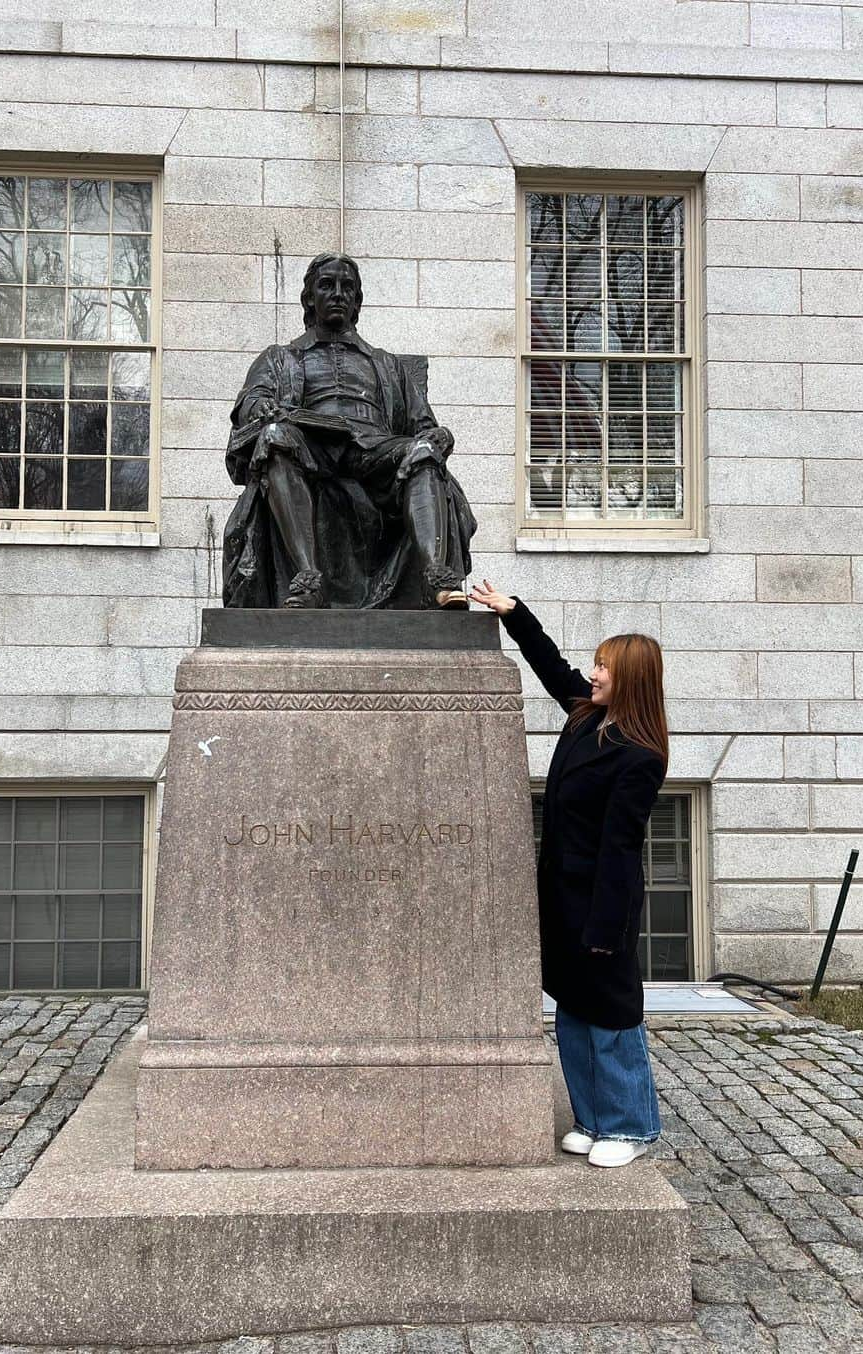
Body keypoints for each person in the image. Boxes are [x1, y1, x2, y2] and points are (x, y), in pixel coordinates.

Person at [469, 579, 668, 1169]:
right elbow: (551, 666)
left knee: (612, 1017)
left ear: (629, 679)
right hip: (560, 894)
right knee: (573, 1013)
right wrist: (513, 613)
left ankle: (631, 1126)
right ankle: (591, 1118)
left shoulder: (639, 756)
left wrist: (607, 930)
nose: (594, 673)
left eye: (605, 667)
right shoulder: (586, 717)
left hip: (600, 905)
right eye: (597, 665)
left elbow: (621, 849)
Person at [222, 253, 476, 611]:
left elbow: (424, 426)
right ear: (310, 298)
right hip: (311, 446)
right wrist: (260, 407)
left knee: (422, 452)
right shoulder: (281, 357)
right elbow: (253, 399)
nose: (338, 294)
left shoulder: (387, 364)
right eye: (327, 286)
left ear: (357, 301)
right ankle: (308, 580)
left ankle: (436, 576)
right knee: (276, 436)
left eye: (347, 288)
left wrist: (439, 437)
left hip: (374, 451)